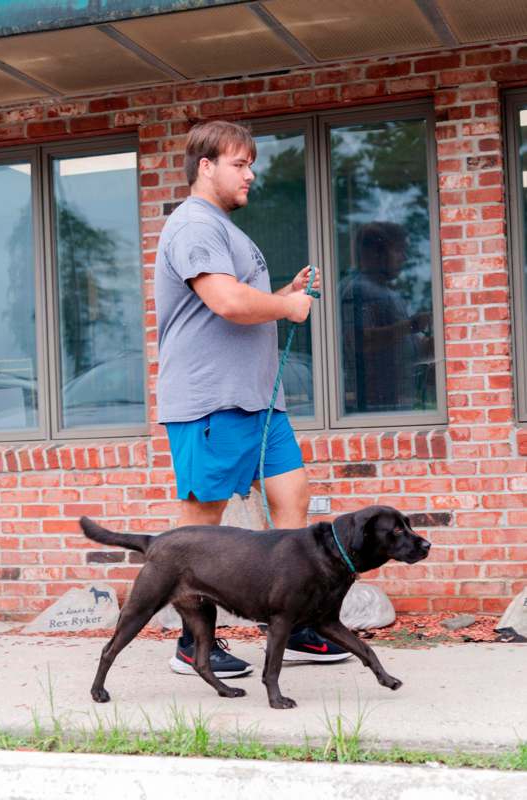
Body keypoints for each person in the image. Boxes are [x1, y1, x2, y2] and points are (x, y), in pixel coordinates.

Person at [155, 120, 350, 677]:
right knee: (200, 529)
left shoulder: (223, 228)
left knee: (292, 503)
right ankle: (193, 646)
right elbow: (226, 302)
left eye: (251, 164)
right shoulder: (193, 224)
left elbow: (246, 300)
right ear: (206, 167)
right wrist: (287, 308)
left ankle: (290, 624)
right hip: (211, 400)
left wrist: (284, 294)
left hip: (261, 401)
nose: (251, 174)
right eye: (240, 164)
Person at [339, 221, 433, 414]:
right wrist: (410, 326)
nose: (404, 258)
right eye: (398, 250)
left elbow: (407, 344)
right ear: (375, 253)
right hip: (374, 407)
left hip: (394, 402)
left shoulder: (387, 293)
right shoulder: (360, 290)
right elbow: (357, 340)